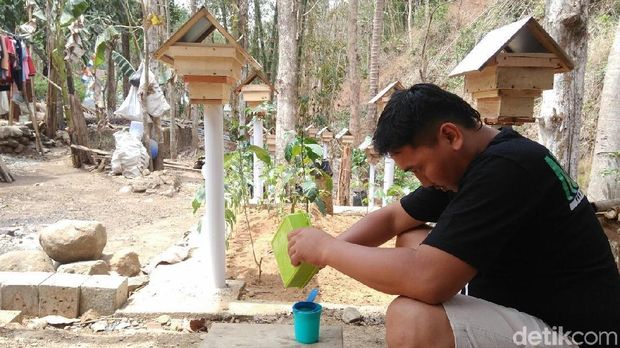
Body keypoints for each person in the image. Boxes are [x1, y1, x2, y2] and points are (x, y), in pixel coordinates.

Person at [287, 83, 620, 347]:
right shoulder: (475, 162)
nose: (423, 181)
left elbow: (427, 280)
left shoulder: (507, 169)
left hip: (572, 335)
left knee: (412, 321)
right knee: (411, 235)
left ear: (450, 135)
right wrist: (321, 253)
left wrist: (328, 248)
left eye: (418, 168)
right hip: (526, 312)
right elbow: (392, 219)